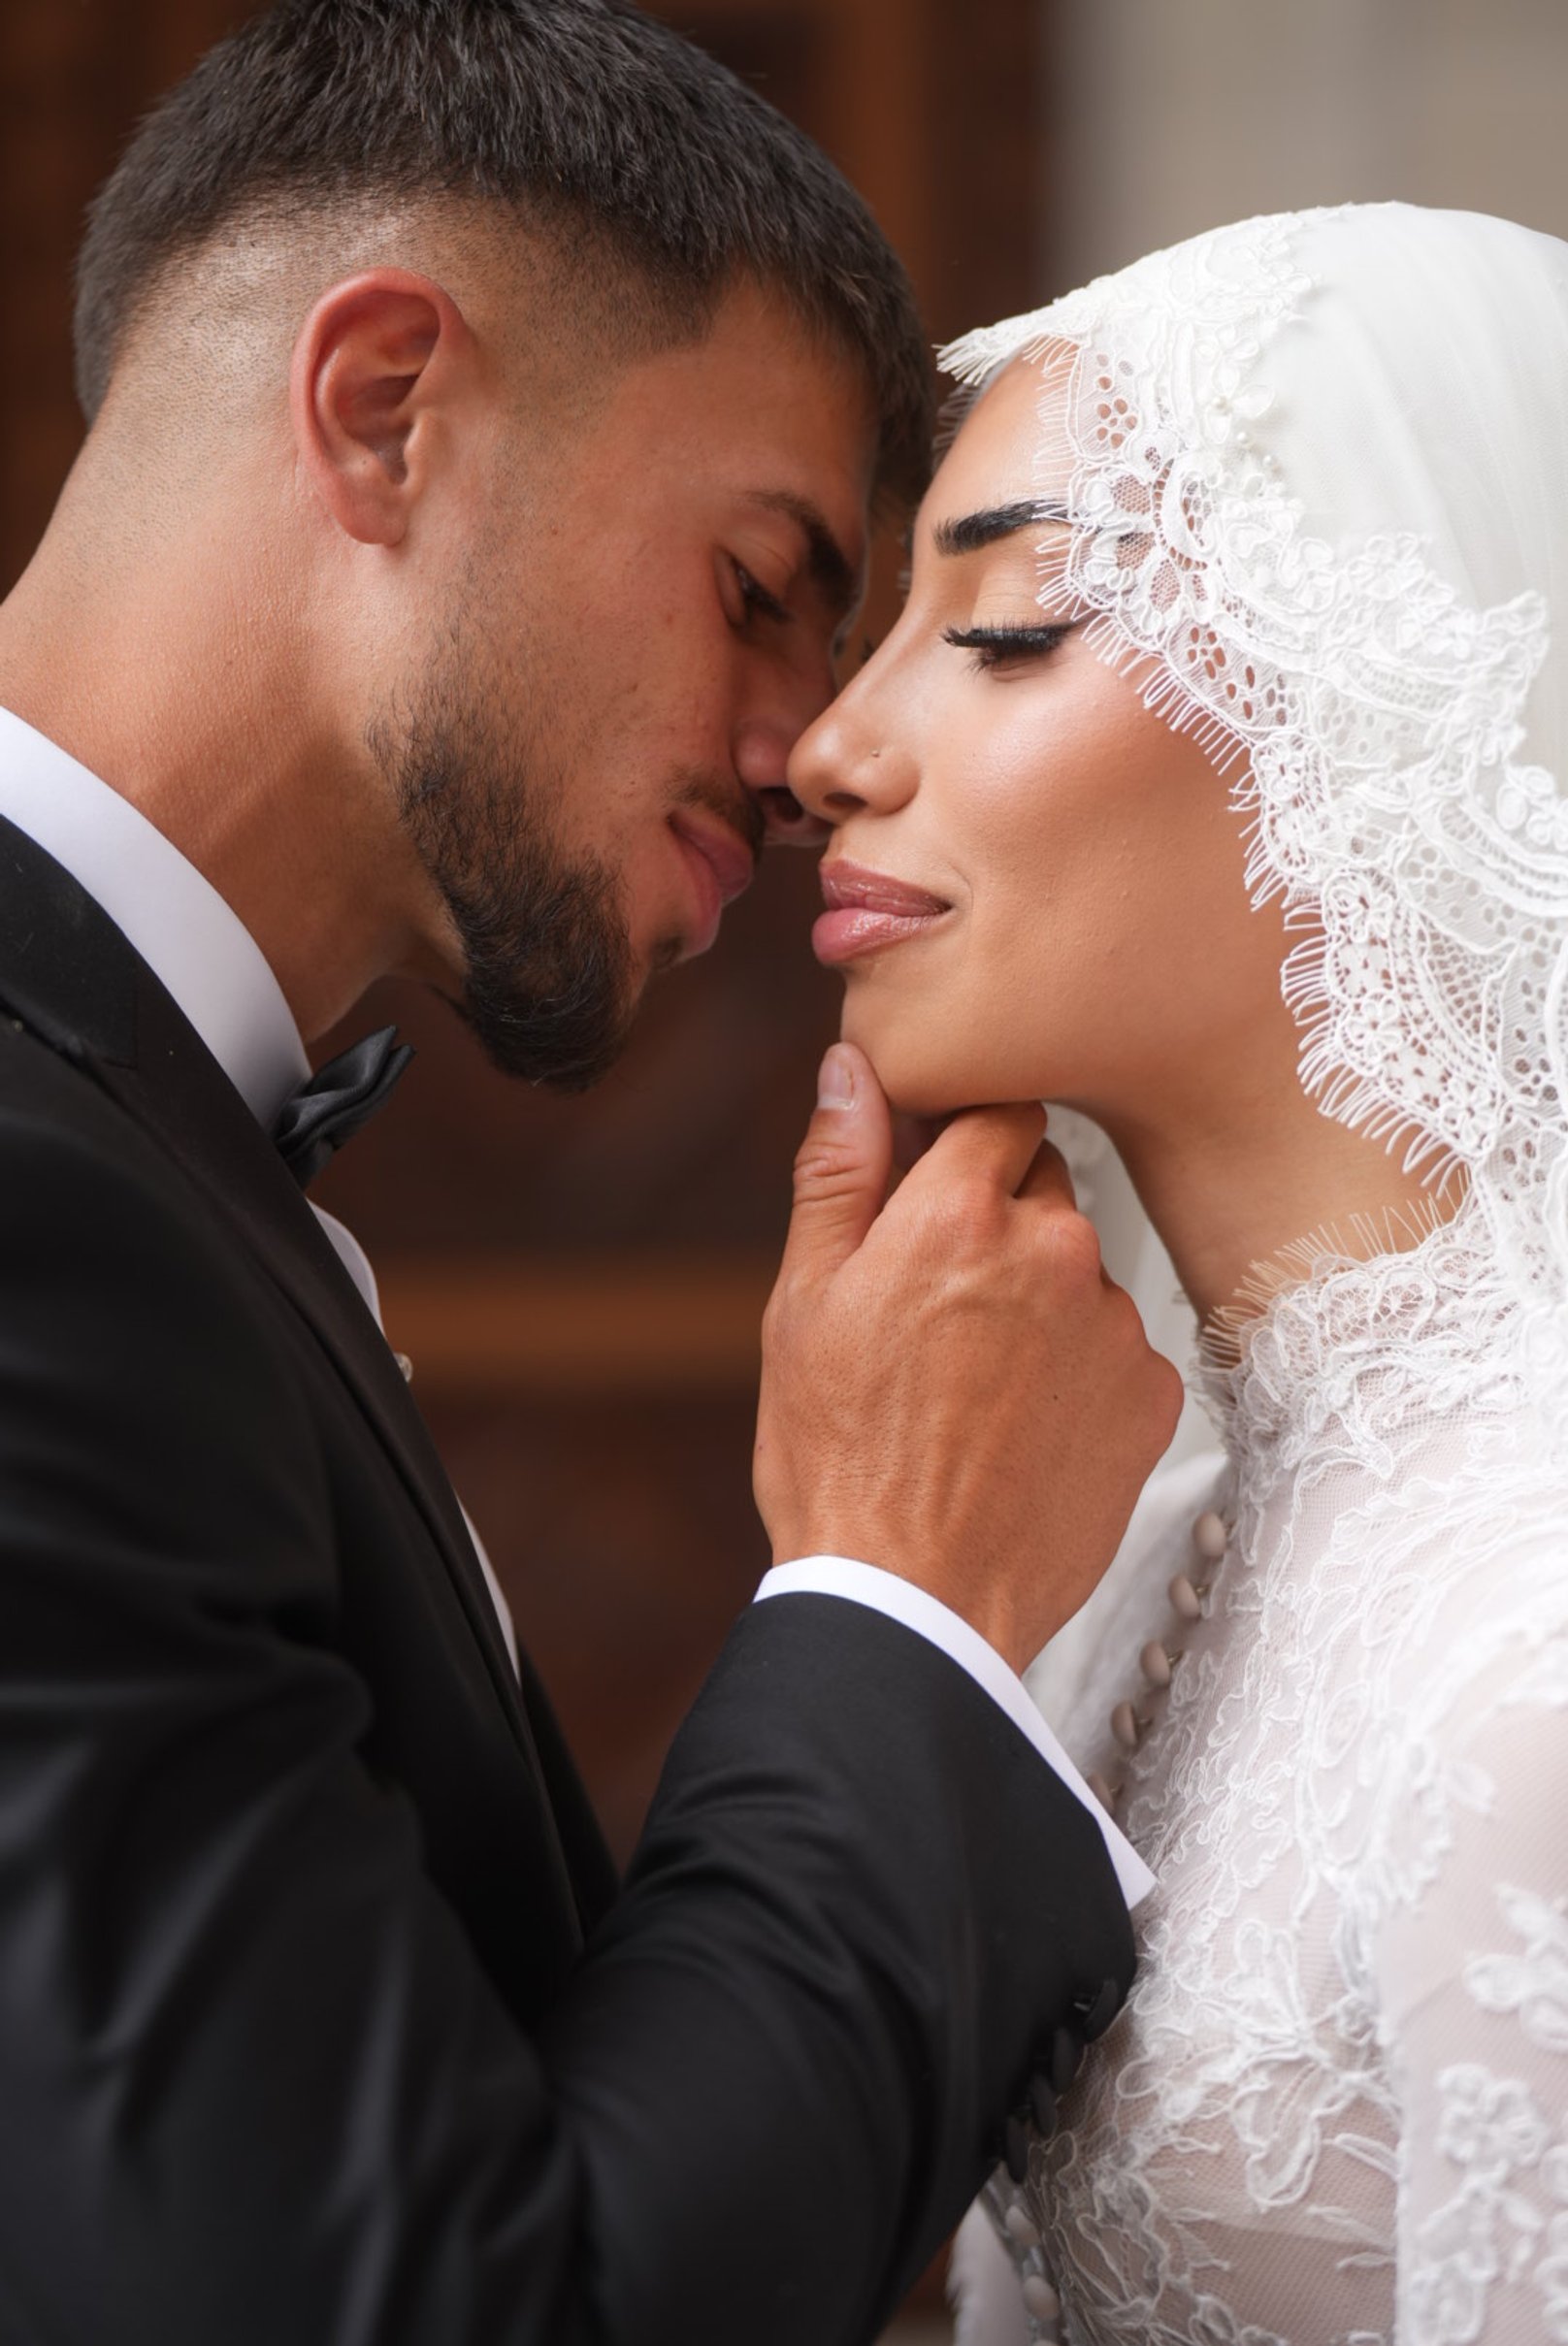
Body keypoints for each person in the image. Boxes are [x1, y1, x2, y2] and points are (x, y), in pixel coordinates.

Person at [0, 2, 1185, 2340]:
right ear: (384, 406)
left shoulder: (138, 1147)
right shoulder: (39, 1209)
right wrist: (894, 1595)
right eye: (761, 585)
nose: (803, 756)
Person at [789, 199, 1568, 2344]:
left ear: (1383, 702)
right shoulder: (1175, 1557)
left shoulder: (1537, 1646)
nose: (827, 752)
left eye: (1012, 620)